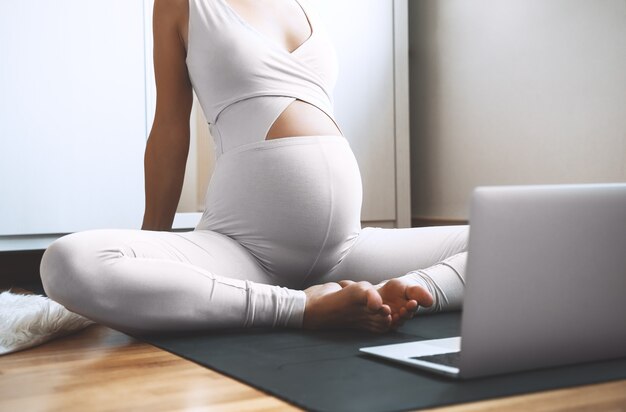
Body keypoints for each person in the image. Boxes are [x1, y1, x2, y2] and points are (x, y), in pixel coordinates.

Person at [40, 0, 468, 334]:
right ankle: (302, 308)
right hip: (244, 250)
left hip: (344, 249)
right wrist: (149, 250)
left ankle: (415, 291)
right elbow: (170, 129)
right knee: (67, 262)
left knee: (509, 236)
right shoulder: (183, 5)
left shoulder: (301, 6)